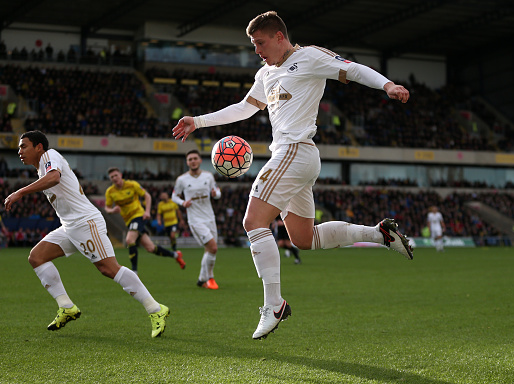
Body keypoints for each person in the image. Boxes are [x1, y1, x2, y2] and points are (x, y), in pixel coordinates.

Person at [172, 11, 413, 340]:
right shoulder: (265, 73)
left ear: (278, 36)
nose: (257, 49)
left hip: (295, 150)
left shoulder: (309, 56)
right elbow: (244, 107)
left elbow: (352, 69)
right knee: (303, 238)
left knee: (253, 222)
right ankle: (380, 234)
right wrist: (197, 121)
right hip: (293, 157)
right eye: (253, 44)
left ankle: (274, 305)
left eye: (260, 42)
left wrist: (386, 85)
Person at [4, 131, 169, 338]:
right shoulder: (41, 168)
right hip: (69, 226)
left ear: (38, 147)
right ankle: (66, 307)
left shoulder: (49, 156)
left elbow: (54, 177)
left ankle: (155, 309)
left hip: (86, 222)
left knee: (109, 269)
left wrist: (20, 192)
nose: (19, 151)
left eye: (23, 146)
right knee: (37, 257)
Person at [105, 168, 186, 273]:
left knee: (129, 240)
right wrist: (112, 210)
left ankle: (134, 272)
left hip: (139, 215)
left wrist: (147, 211)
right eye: (112, 177)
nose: (114, 178)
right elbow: (107, 208)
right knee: (150, 248)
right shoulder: (110, 192)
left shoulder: (132, 184)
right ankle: (176, 255)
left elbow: (147, 196)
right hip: (128, 220)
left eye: (116, 175)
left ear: (120, 175)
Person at [171, 150, 221, 290]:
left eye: (195, 158)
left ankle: (201, 279)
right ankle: (210, 278)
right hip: (195, 219)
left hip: (210, 217)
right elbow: (174, 196)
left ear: (200, 160)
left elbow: (218, 192)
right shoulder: (181, 180)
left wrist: (215, 193)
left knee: (208, 249)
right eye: (190, 159)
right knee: (213, 247)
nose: (192, 161)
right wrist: (182, 203)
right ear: (187, 162)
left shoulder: (208, 176)